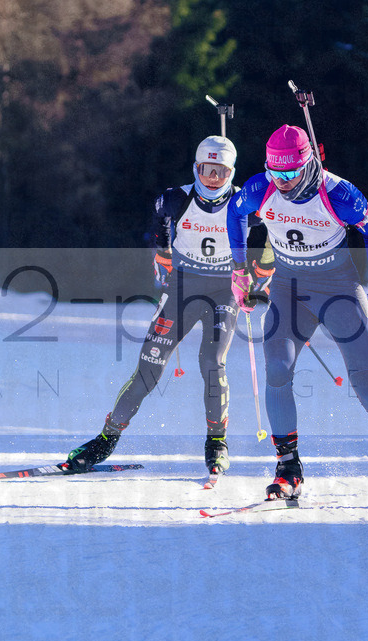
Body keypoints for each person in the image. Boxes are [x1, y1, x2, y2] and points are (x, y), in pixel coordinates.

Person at [225, 124, 368, 505]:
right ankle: (288, 468)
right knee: (277, 370)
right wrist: (239, 268)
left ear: (308, 164)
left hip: (340, 291)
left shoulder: (338, 193)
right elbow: (236, 210)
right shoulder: (261, 187)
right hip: (289, 290)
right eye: (274, 172)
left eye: (290, 174)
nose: (281, 182)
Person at [62, 135, 271, 479]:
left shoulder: (243, 203)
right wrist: (162, 253)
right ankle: (106, 439)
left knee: (211, 361)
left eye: (220, 171)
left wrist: (260, 273)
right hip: (183, 287)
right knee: (149, 366)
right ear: (196, 168)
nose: (212, 178)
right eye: (206, 170)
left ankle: (216, 443)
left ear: (231, 172)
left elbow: (270, 231)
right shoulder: (175, 198)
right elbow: (161, 219)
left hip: (225, 289)